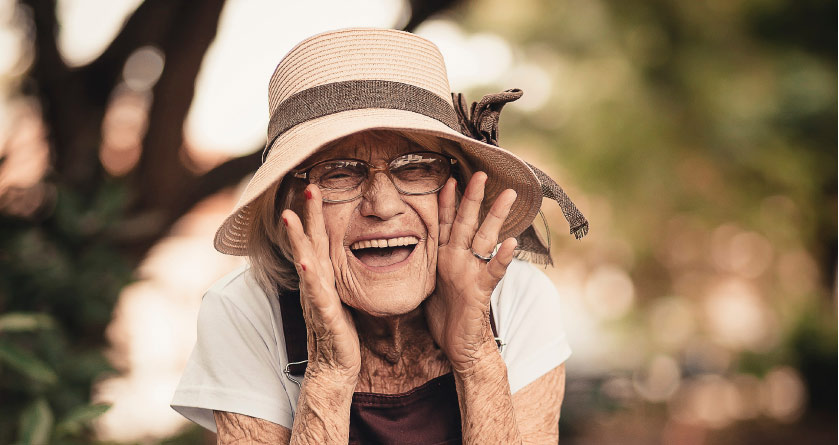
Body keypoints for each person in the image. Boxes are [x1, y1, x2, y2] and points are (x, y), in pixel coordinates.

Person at [171, 28, 588, 444]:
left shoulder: (517, 298)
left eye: (417, 167)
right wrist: (330, 373)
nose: (383, 206)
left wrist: (477, 356)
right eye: (339, 173)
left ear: (457, 191)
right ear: (289, 206)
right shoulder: (246, 311)